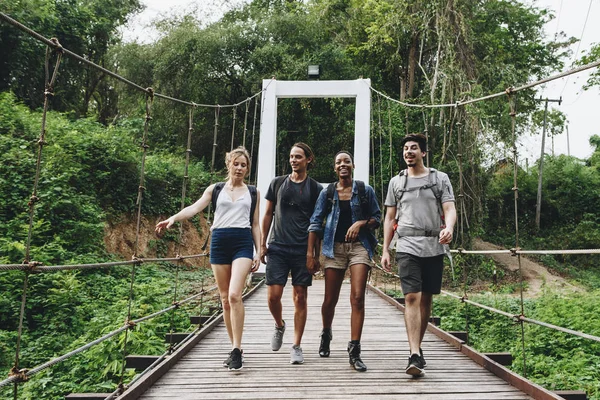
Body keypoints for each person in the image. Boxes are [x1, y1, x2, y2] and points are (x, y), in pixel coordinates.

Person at [155, 146, 260, 371]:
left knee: (234, 295)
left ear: (247, 168)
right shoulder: (215, 189)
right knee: (224, 298)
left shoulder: (253, 192)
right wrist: (173, 219)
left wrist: (259, 251)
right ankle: (236, 349)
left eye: (244, 165)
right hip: (219, 242)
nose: (240, 168)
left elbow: (255, 224)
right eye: (236, 163)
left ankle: (237, 348)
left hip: (242, 242)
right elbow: (194, 208)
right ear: (229, 164)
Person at [381, 133, 456, 377]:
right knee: (412, 296)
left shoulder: (440, 179)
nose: (408, 152)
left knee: (426, 300)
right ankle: (414, 353)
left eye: (414, 148)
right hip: (406, 245)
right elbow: (390, 217)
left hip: (433, 245)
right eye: (405, 149)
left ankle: (418, 348)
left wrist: (449, 228)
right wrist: (385, 249)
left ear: (424, 153)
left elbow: (449, 208)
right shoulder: (396, 182)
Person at [307, 150, 381, 372]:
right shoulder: (327, 193)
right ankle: (326, 332)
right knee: (330, 300)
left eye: (346, 161)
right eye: (338, 162)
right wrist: (311, 254)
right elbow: (315, 222)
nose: (342, 165)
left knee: (357, 297)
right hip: (334, 248)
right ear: (334, 167)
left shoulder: (365, 191)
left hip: (360, 247)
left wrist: (361, 223)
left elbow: (377, 218)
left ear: (353, 165)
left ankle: (354, 349)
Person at [260, 142, 322, 364]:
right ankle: (279, 325)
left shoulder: (316, 189)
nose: (294, 160)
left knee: (300, 297)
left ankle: (296, 345)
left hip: (301, 250)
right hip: (277, 246)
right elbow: (267, 214)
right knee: (273, 296)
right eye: (291, 156)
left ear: (308, 159)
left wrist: (315, 254)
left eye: (298, 157)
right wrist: (262, 244)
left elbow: (317, 223)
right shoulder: (277, 183)